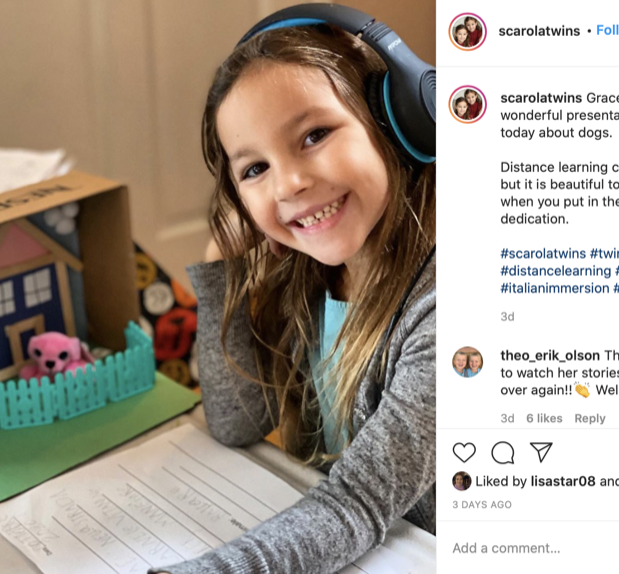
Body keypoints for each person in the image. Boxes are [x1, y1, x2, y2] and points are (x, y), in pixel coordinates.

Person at [156, 22, 436, 574]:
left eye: (314, 135)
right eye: (255, 168)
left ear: (396, 123)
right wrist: (221, 270)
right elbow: (236, 423)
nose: (287, 186)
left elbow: (356, 503)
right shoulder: (306, 275)